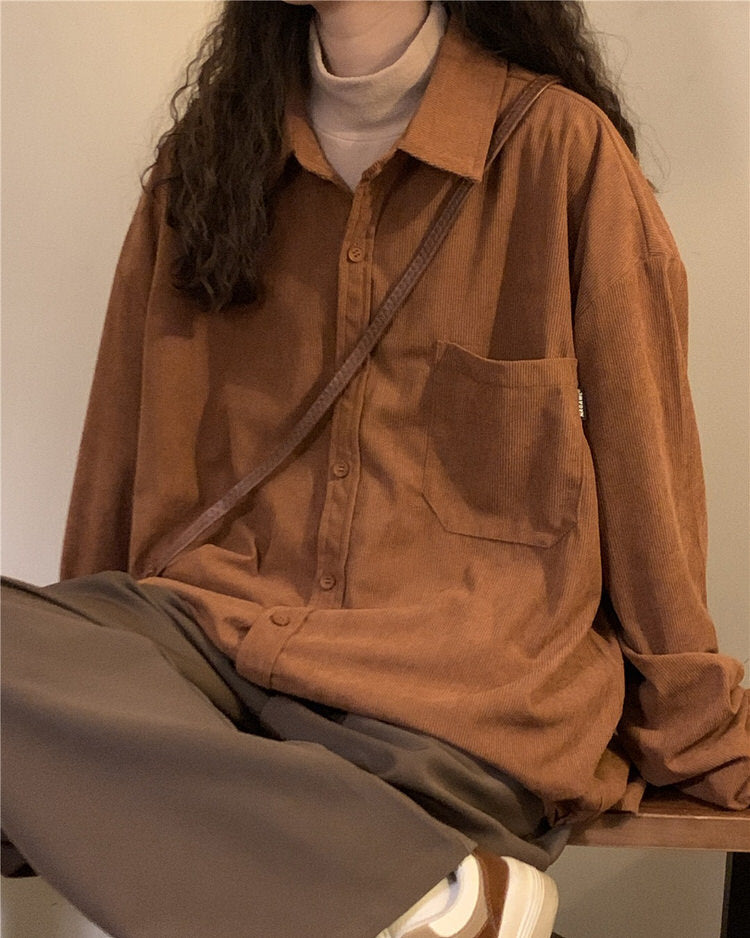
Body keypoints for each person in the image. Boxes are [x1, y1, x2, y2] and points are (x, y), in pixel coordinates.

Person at [2, 2, 748, 937]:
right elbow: (124, 439)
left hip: (451, 698)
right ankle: (434, 900)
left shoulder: (559, 151)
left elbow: (648, 466)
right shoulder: (207, 162)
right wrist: (68, 702)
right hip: (215, 644)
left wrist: (692, 722)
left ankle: (405, 890)